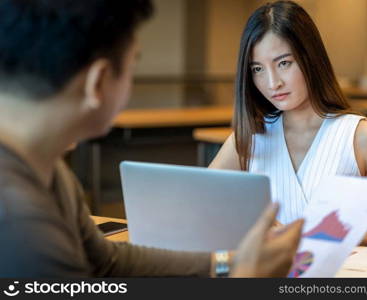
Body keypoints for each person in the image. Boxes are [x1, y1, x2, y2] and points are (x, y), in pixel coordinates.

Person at [0, 0, 303, 277]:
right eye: (133, 66)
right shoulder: (20, 221)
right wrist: (243, 278)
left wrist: (229, 265)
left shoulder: (48, 172)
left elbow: (107, 261)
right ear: (99, 81)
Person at [209, 0, 367, 250]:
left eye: (284, 63)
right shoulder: (249, 138)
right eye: (258, 69)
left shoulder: (364, 138)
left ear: (311, 59)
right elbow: (202, 204)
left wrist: (315, 235)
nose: (273, 83)